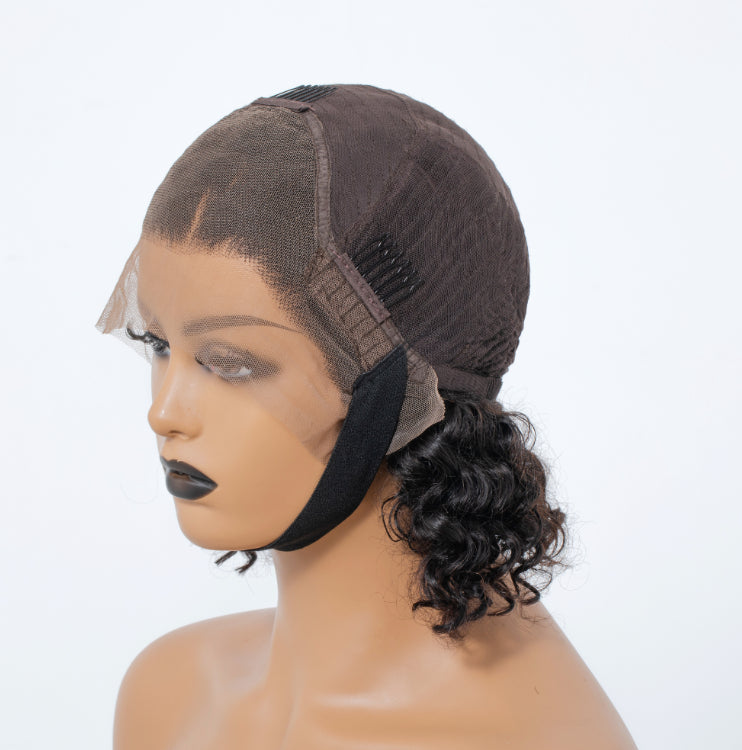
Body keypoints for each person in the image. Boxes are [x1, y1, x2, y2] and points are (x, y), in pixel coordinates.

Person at [97, 83, 638, 749]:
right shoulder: (169, 693)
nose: (163, 413)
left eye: (231, 364)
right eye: (156, 343)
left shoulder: (521, 737)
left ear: (396, 389)